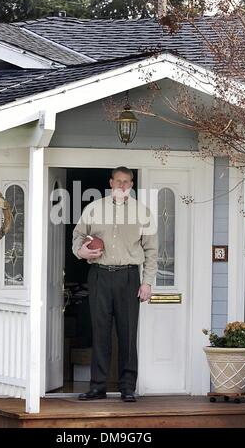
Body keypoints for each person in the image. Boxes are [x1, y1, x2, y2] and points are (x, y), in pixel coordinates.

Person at [72, 166, 158, 402]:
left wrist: (147, 283)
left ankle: (127, 387)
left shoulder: (143, 213)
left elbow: (151, 250)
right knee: (100, 332)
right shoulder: (93, 209)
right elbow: (78, 235)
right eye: (118, 181)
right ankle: (97, 387)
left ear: (131, 185)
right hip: (99, 274)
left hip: (129, 276)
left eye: (126, 182)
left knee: (128, 334)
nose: (121, 185)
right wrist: (80, 252)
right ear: (110, 183)